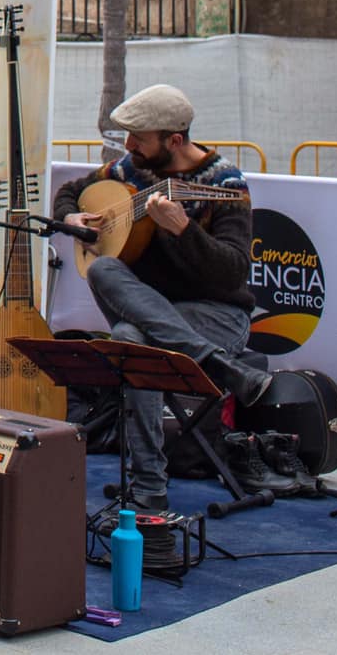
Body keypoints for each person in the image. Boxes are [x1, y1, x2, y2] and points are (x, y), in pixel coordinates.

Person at [54, 84, 272, 538]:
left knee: (134, 342)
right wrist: (72, 218)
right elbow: (72, 193)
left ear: (174, 140)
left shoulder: (226, 185)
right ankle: (219, 367)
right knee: (103, 271)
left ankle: (149, 485)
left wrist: (184, 230)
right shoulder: (132, 168)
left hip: (217, 314)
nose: (129, 147)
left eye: (139, 138)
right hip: (158, 312)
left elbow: (232, 274)